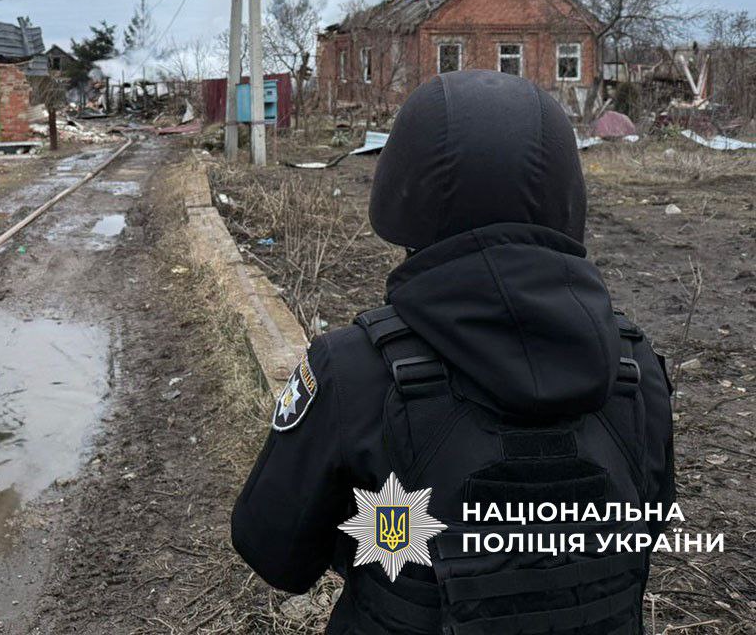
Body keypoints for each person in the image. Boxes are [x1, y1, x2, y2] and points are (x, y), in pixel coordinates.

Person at [232, 70, 674, 635]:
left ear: (404, 191)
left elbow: (274, 554)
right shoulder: (637, 371)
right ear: (568, 196)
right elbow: (644, 529)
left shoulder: (353, 370)